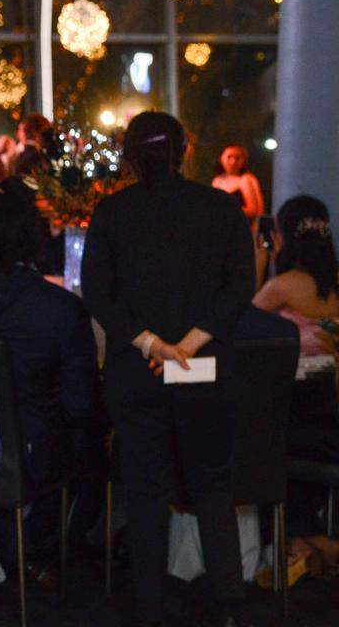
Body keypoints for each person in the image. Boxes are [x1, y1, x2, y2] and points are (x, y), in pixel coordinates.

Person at [81, 111, 256, 626]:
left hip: (138, 371)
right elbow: (239, 287)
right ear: (184, 150)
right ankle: (229, 603)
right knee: (212, 485)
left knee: (145, 489)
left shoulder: (112, 213)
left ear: (131, 156)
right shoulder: (221, 208)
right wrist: (189, 345)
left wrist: (154, 345)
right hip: (202, 366)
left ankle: (150, 606)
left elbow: (98, 293)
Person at [0, 188, 100, 587]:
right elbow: (80, 404)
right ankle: (33, 542)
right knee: (89, 442)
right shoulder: (59, 308)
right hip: (29, 457)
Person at [250, 195, 339, 573]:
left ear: (282, 237)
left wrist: (260, 264)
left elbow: (242, 327)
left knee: (259, 441)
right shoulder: (334, 284)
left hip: (296, 406)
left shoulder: (284, 286)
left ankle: (307, 542)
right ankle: (305, 543)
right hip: (330, 410)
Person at [211, 143, 265, 221]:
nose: (233, 162)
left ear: (243, 161)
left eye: (237, 158)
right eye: (229, 157)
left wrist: (226, 209)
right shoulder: (217, 180)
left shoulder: (246, 179)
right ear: (221, 158)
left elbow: (254, 211)